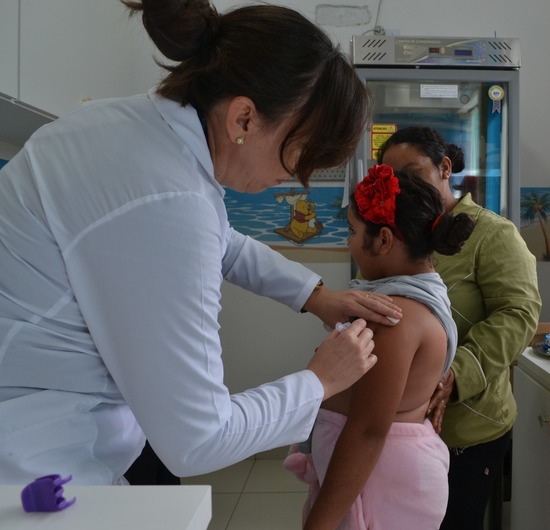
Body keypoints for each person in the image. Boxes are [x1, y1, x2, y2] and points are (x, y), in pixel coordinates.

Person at [0, 1, 405, 486]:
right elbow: (200, 439)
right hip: (35, 462)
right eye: (297, 156)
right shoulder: (168, 199)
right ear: (244, 119)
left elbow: (223, 241)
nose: (290, 180)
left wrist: (315, 296)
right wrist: (319, 381)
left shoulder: (123, 128)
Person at [284, 164, 475, 529]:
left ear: (384, 240)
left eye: (353, 232)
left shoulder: (394, 319)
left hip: (377, 483)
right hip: (376, 478)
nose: (349, 242)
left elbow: (367, 431)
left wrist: (318, 525)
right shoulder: (407, 302)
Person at [378, 127, 542, 529]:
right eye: (393, 179)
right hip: (400, 427)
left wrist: (457, 375)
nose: (404, 187)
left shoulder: (491, 234)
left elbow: (518, 314)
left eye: (413, 173)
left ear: (445, 168)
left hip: (467, 426)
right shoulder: (400, 235)